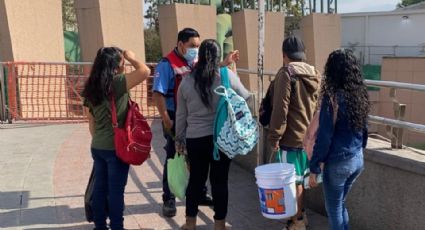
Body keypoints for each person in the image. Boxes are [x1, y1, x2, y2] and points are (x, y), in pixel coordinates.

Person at [153, 28, 239, 217]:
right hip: (175, 116)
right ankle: (169, 197)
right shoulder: (166, 64)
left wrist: (226, 62)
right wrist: (166, 118)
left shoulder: (194, 62)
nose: (195, 49)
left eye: (198, 46)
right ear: (180, 44)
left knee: (195, 162)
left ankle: (199, 193)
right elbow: (158, 93)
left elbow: (211, 69)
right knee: (174, 157)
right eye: (192, 46)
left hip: (192, 119)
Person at [175, 39, 249, 230]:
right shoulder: (227, 76)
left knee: (196, 181)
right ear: (218, 58)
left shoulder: (187, 81)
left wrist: (179, 139)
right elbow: (246, 96)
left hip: (195, 139)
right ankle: (220, 225)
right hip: (221, 139)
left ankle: (190, 223)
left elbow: (181, 116)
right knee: (219, 182)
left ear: (199, 56)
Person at [82, 47, 151, 230]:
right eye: (121, 61)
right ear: (116, 64)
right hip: (116, 148)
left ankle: (99, 226)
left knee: (100, 189)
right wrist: (132, 58)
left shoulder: (91, 86)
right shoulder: (118, 83)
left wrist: (99, 140)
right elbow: (145, 71)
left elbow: (91, 120)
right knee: (115, 192)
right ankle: (117, 226)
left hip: (98, 146)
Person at [309, 49, 369, 230]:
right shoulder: (360, 95)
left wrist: (314, 166)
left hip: (338, 163)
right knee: (340, 203)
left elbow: (325, 136)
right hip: (357, 158)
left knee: (333, 208)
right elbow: (364, 129)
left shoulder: (332, 97)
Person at [267, 36, 321, 230]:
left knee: (293, 183)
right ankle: (301, 216)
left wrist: (274, 136)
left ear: (284, 55)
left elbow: (280, 109)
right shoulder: (315, 74)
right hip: (308, 139)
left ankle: (297, 222)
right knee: (300, 180)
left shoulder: (286, 73)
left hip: (291, 137)